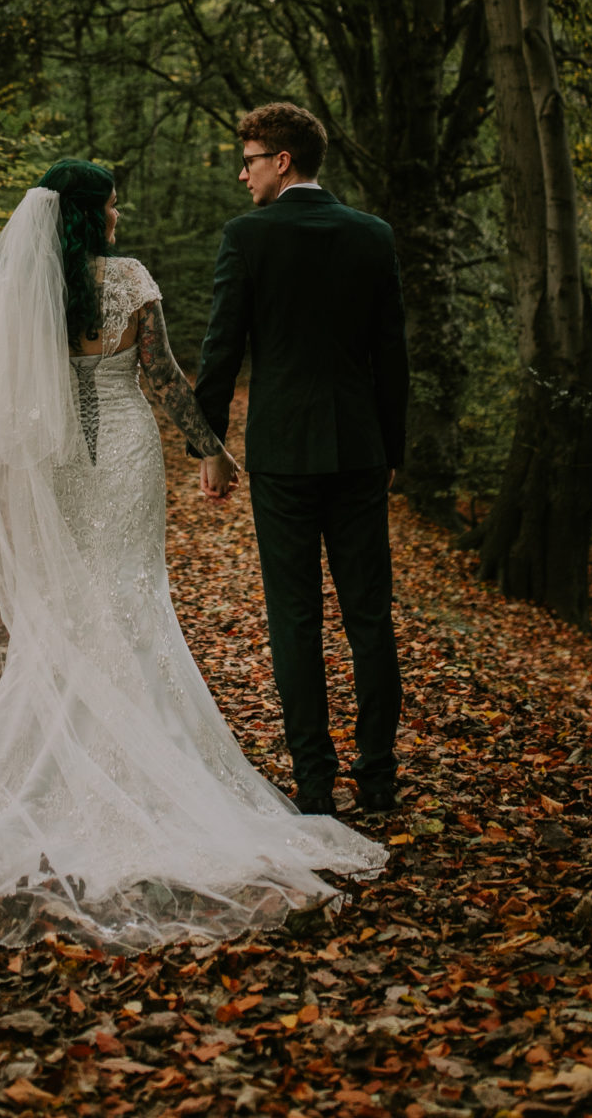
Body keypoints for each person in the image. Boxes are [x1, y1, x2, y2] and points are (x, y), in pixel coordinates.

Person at [0, 157, 384, 951]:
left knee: (67, 606)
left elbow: (2, 394)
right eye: (113, 205)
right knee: (130, 597)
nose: (120, 215)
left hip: (54, 465)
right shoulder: (129, 279)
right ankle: (141, 767)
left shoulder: (26, 289)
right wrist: (210, 448)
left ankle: (60, 763)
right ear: (93, 213)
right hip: (121, 453)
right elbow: (162, 376)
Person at [194, 104, 409, 817]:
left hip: (284, 452)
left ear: (282, 160)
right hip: (358, 449)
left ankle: (315, 782)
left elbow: (222, 349)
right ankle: (378, 777)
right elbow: (392, 356)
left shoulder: (247, 237)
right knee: (369, 616)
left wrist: (210, 446)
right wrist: (392, 448)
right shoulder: (372, 236)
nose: (243, 171)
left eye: (250, 157)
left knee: (295, 617)